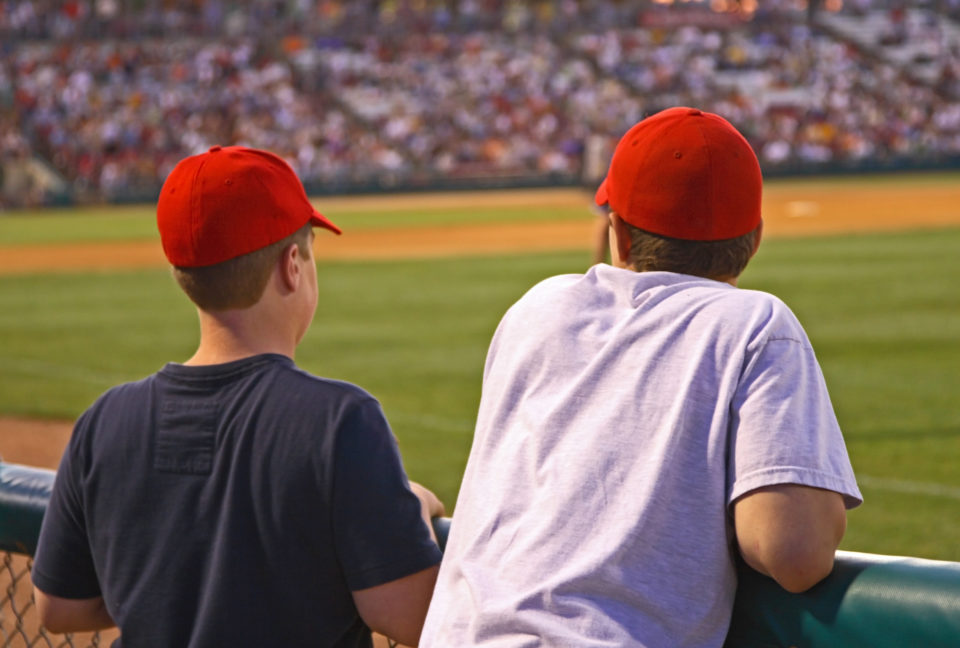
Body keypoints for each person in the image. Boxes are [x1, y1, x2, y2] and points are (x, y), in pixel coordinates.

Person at [420, 107, 862, 647]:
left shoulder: (536, 309)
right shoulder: (754, 323)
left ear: (620, 235)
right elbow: (793, 552)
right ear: (755, 238)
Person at [31, 146, 444, 648]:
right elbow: (411, 618)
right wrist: (413, 505)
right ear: (293, 265)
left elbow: (59, 606)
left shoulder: (104, 419)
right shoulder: (341, 420)